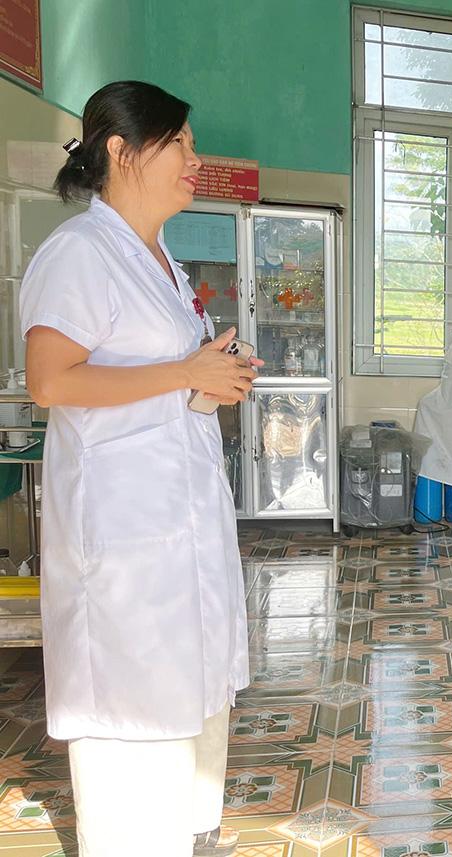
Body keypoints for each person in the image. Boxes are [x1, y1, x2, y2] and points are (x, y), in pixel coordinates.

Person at [21, 81, 257, 857]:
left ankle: (192, 831)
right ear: (120, 151)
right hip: (122, 537)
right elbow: (52, 381)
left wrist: (209, 378)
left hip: (177, 521)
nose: (196, 158)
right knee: (131, 716)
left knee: (188, 694)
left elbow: (164, 378)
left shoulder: (161, 261)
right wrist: (184, 373)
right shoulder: (80, 253)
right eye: (180, 142)